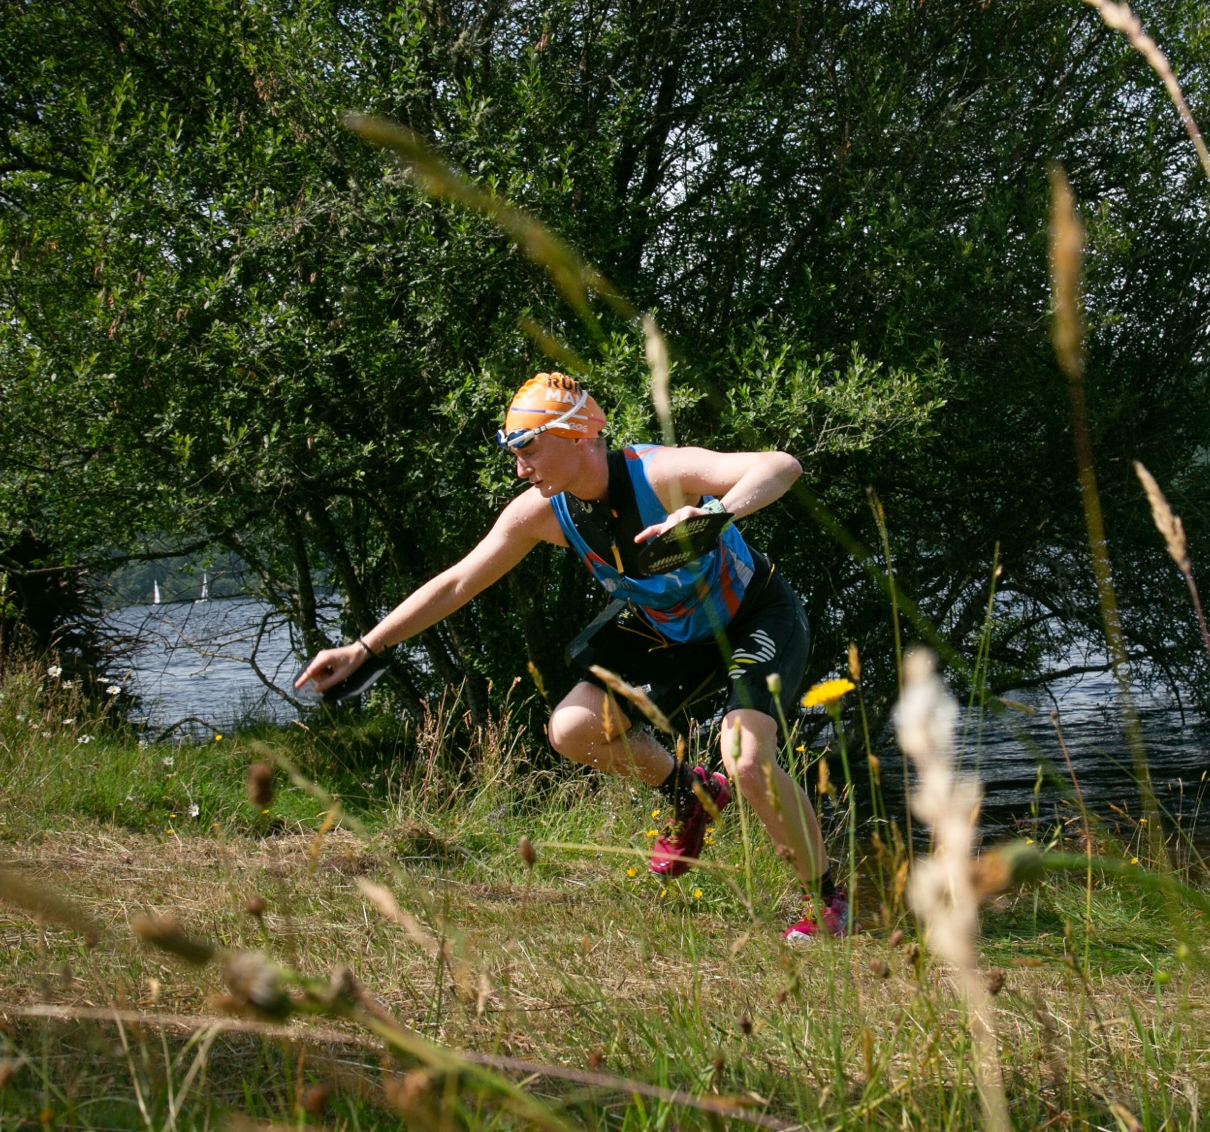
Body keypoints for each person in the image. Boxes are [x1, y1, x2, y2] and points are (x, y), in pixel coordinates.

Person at [294, 371, 848, 941]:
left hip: (751, 615)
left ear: (580, 437)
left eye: (529, 449)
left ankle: (826, 900)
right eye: (515, 454)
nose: (520, 468)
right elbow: (459, 581)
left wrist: (716, 513)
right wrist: (365, 647)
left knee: (749, 761)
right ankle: (693, 790)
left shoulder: (657, 474)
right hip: (668, 628)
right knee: (572, 729)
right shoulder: (539, 512)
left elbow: (780, 464)